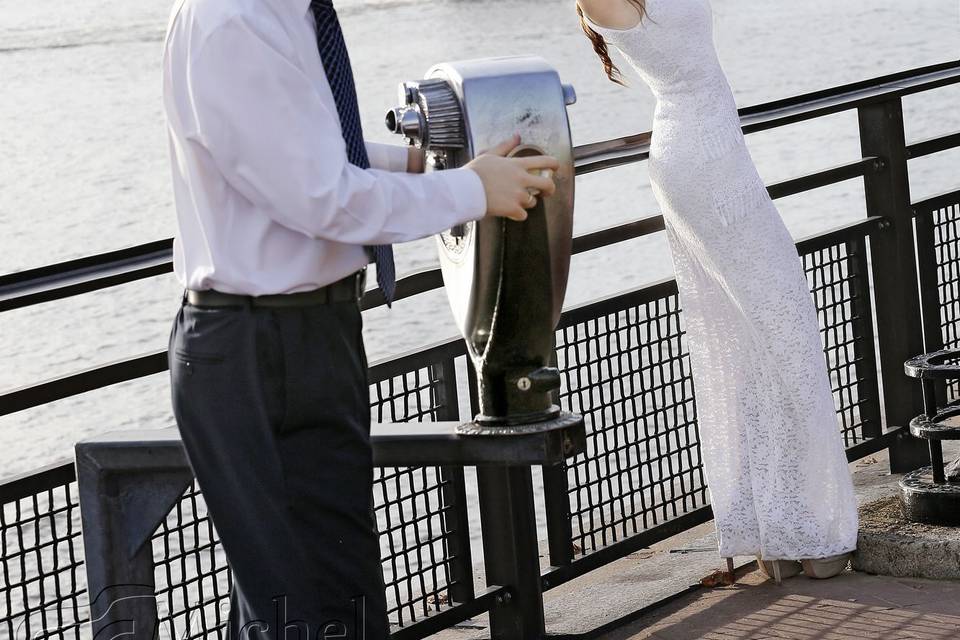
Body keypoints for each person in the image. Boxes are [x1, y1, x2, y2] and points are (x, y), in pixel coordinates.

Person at [161, 0, 558, 637]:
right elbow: (317, 195)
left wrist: (424, 165)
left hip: (309, 333)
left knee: (335, 594)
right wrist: (469, 191)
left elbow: (312, 149)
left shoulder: (287, 14)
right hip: (258, 344)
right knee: (298, 605)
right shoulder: (231, 19)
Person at [574, 0, 858, 583]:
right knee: (776, 330)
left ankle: (783, 525)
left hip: (718, 152)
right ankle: (803, 530)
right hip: (699, 163)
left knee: (766, 336)